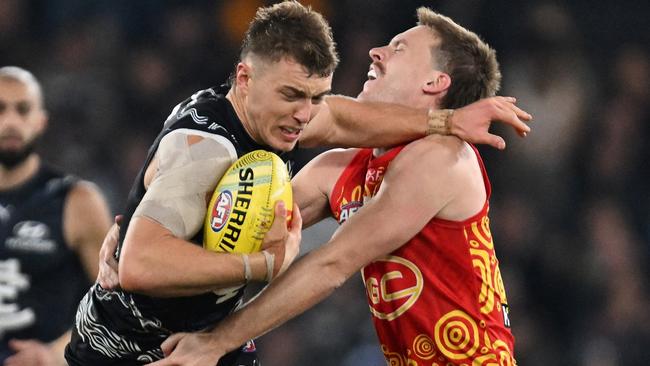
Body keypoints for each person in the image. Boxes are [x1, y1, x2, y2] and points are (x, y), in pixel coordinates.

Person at [71, 2, 530, 365]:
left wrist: (215, 342)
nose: (376, 52)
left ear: (436, 81)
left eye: (398, 47)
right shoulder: (342, 166)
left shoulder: (441, 157)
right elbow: (243, 225)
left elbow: (331, 264)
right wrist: (140, 219)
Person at [0, 66, 112, 365]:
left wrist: (54, 353)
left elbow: (116, 302)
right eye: (0, 109)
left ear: (41, 122)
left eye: (22, 110)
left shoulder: (76, 201)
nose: (10, 121)